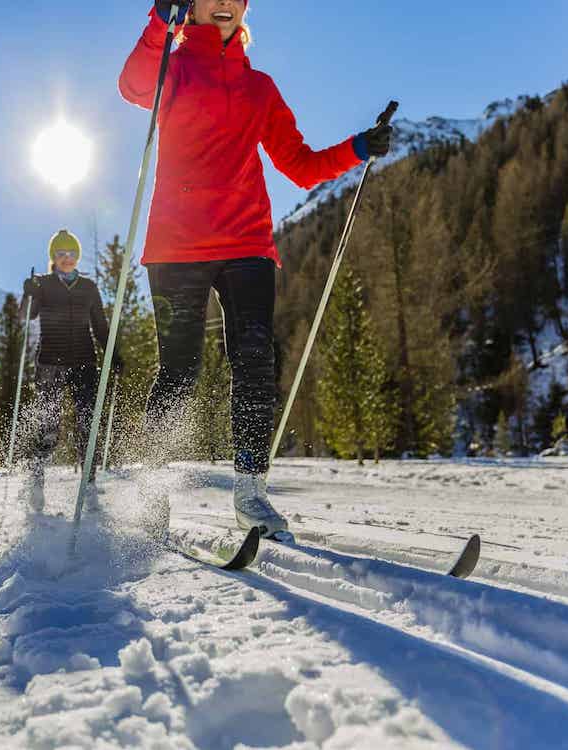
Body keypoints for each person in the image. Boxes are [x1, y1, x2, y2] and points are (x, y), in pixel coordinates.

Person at [119, 0, 393, 537]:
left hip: (247, 243)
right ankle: (152, 492)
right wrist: (159, 21)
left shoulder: (259, 87)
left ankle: (251, 496)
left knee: (254, 363)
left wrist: (358, 147)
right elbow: (132, 87)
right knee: (179, 370)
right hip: (177, 246)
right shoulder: (171, 69)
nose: (224, 3)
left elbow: (301, 166)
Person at [18, 229, 118, 513]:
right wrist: (29, 294)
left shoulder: (88, 287)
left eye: (71, 254)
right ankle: (36, 477)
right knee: (49, 424)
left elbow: (99, 324)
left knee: (88, 422)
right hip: (50, 362)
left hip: (85, 361)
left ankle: (89, 483)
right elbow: (26, 315)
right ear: (53, 257)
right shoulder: (44, 284)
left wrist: (114, 352)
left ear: (77, 256)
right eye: (61, 254)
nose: (66, 258)